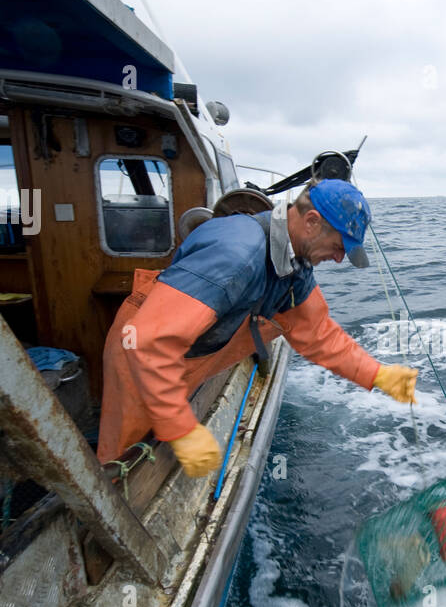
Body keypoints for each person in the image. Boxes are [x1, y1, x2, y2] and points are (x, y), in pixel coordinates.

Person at [96, 179, 417, 475]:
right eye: (337, 246)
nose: (337, 259)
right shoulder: (236, 254)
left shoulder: (294, 266)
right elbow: (149, 341)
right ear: (312, 222)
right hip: (139, 350)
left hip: (191, 354)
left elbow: (317, 335)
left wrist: (376, 374)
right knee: (120, 462)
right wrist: (181, 429)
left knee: (152, 441)